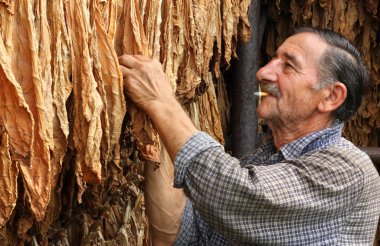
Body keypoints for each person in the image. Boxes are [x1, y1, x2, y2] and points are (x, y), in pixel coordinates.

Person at [119, 27, 380, 245]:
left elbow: (231, 195)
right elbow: (178, 234)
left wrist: (161, 99)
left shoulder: (348, 169)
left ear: (331, 96)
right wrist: (153, 127)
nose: (263, 73)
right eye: (273, 60)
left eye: (288, 66)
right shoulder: (261, 160)